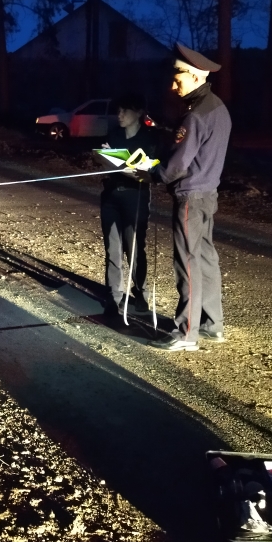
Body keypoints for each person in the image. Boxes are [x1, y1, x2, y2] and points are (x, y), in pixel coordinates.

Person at [150, 42, 232, 351]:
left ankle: (186, 333)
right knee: (207, 259)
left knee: (188, 262)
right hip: (208, 194)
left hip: (190, 198)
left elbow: (175, 167)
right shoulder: (217, 108)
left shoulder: (195, 116)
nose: (173, 85)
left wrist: (150, 171)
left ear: (196, 76)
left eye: (178, 78)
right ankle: (213, 325)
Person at [99, 94, 161, 317]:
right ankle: (113, 296)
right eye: (119, 111)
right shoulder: (114, 134)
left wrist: (132, 170)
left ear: (139, 113)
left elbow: (151, 171)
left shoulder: (149, 138)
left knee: (134, 247)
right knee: (112, 249)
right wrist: (105, 156)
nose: (120, 115)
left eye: (125, 111)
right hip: (111, 196)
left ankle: (141, 294)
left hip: (135, 196)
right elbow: (104, 161)